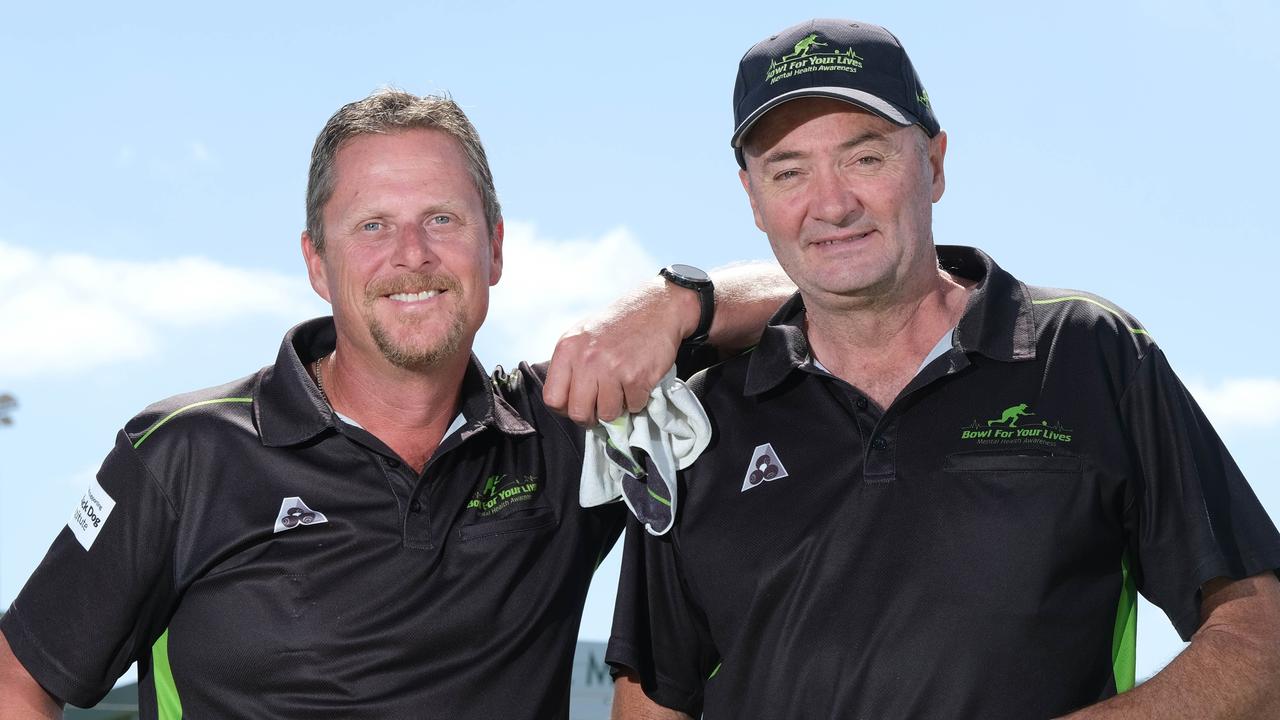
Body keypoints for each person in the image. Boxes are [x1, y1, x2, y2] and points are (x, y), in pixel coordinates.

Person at [0, 89, 790, 719]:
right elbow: (19, 682)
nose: (411, 255)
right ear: (317, 261)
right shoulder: (181, 455)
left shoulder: (564, 430)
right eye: (372, 225)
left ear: (496, 247)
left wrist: (675, 300)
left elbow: (823, 292)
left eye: (441, 219)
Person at [607, 18, 1280, 719]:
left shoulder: (1089, 355)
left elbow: (1262, 641)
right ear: (752, 196)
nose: (831, 203)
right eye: (789, 171)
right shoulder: (699, 422)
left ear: (933, 162)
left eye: (864, 158)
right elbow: (652, 698)